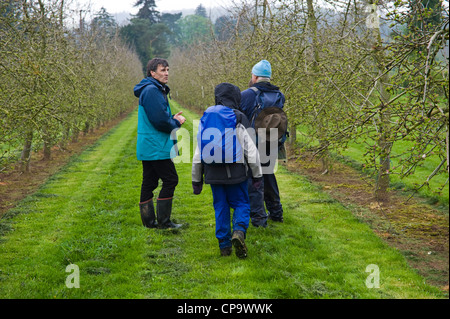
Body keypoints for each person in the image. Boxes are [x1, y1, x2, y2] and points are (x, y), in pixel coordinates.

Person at [192, 82, 262, 258]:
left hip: (212, 174)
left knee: (220, 206)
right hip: (236, 173)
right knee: (241, 203)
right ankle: (238, 231)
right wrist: (257, 175)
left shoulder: (206, 117)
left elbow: (198, 152)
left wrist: (196, 179)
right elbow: (250, 150)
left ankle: (224, 246)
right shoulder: (236, 117)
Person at [134, 58, 186, 229]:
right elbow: (160, 122)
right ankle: (164, 222)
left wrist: (171, 118)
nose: (167, 74)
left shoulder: (152, 89)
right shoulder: (152, 91)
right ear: (152, 72)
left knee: (149, 182)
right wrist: (176, 122)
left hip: (151, 144)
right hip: (156, 145)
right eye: (163, 70)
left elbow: (158, 117)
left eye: (168, 70)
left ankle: (149, 222)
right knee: (171, 179)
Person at [240, 60, 286, 227]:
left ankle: (258, 217)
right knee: (269, 175)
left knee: (254, 179)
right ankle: (276, 212)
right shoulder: (279, 95)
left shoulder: (247, 94)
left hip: (253, 143)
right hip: (272, 142)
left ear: (255, 76)